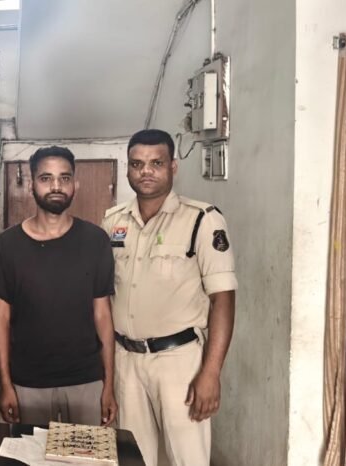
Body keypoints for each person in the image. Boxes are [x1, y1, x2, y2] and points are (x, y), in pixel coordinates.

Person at [102, 129, 237, 465]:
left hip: (179, 362)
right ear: (128, 168)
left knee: (187, 458)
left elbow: (223, 299)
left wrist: (211, 372)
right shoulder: (113, 221)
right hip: (126, 360)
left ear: (173, 167)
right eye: (137, 164)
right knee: (133, 457)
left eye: (156, 163)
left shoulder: (202, 220)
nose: (146, 171)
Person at [0, 146, 117, 427]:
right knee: (31, 451)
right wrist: (6, 384)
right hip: (28, 382)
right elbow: (1, 317)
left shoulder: (95, 240)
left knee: (86, 451)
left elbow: (103, 315)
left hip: (86, 380)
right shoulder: (8, 244)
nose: (56, 186)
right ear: (32, 185)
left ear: (76, 184)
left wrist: (108, 384)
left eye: (64, 178)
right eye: (46, 178)